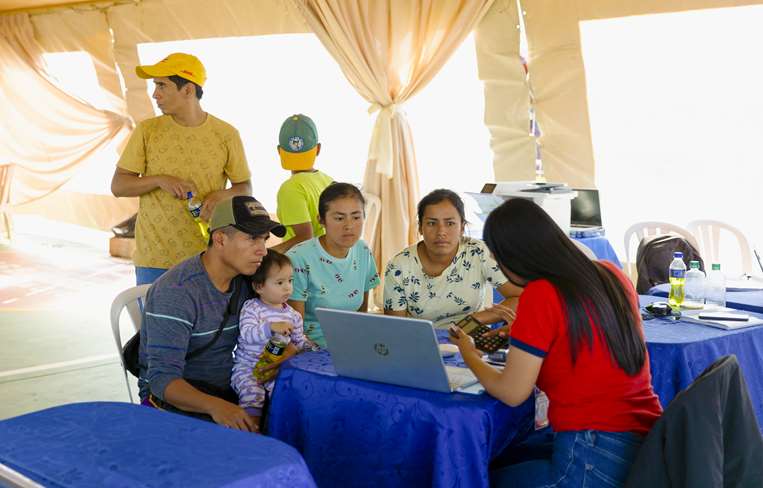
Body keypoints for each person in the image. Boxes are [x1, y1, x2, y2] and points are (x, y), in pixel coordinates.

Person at [448, 198, 663, 487]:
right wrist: (526, 335)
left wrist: (469, 352)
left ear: (514, 258)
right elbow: (591, 338)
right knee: (507, 458)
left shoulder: (540, 294)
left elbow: (512, 392)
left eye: (499, 261)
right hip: (644, 444)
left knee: (477, 476)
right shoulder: (612, 274)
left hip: (592, 451)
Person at [138, 196, 287, 432]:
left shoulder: (246, 281)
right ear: (220, 239)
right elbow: (161, 380)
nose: (262, 250)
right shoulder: (177, 292)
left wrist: (283, 352)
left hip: (228, 391)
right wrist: (217, 407)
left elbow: (277, 320)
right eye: (251, 238)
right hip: (174, 403)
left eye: (264, 239)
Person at [111, 52, 252, 285]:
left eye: (161, 85)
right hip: (153, 260)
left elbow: (245, 188)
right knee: (157, 323)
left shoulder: (226, 134)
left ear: (188, 90)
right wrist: (159, 180)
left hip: (208, 258)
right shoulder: (147, 131)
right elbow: (119, 186)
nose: (155, 94)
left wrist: (223, 195)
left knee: (207, 323)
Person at [384, 189, 520, 330]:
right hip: (421, 340)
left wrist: (472, 321)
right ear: (420, 228)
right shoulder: (398, 266)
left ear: (462, 227)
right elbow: (396, 328)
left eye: (450, 223)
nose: (441, 232)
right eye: (431, 223)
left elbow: (521, 299)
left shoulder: (478, 252)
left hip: (470, 336)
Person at [231, 250, 317, 431]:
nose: (288, 288)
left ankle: (278, 434)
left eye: (290, 281)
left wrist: (314, 349)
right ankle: (249, 433)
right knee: (252, 396)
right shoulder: (251, 308)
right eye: (280, 282)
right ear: (259, 286)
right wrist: (270, 327)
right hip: (248, 369)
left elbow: (299, 340)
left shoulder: (293, 315)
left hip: (277, 368)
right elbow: (247, 334)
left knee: (286, 392)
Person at [287, 183, 380, 348]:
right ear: (321, 220)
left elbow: (361, 315)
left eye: (356, 217)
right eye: (339, 218)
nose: (349, 226)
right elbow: (295, 331)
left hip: (352, 343)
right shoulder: (298, 259)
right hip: (310, 347)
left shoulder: (362, 250)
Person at [271, 114, 333, 254]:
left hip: (303, 266)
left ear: (279, 151)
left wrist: (268, 254)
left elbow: (305, 237)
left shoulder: (290, 188)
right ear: (318, 149)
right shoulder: (329, 181)